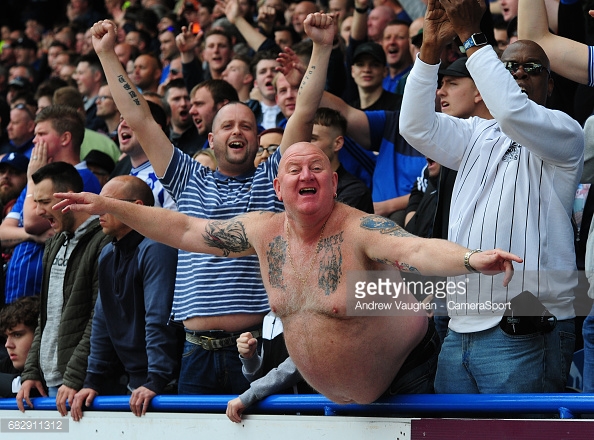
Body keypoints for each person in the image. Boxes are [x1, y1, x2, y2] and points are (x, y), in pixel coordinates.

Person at [55, 144, 521, 404]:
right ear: (278, 186)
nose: (305, 174)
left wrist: (469, 260)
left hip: (406, 385)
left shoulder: (360, 229)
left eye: (316, 166)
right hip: (322, 399)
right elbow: (182, 227)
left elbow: (416, 248)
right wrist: (105, 203)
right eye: (293, 168)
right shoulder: (263, 232)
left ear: (333, 181)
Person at [88, 13, 336, 395]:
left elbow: (303, 110)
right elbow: (139, 117)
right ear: (210, 138)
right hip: (194, 353)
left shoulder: (274, 181)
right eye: (227, 126)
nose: (237, 131)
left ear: (256, 139)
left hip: (257, 348)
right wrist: (106, 54)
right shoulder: (188, 177)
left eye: (247, 126)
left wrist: (321, 46)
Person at [399, 0, 583, 393]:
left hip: (524, 330)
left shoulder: (566, 132)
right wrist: (430, 48)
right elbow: (414, 126)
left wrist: (471, 36)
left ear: (550, 85)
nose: (518, 72)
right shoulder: (474, 133)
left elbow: (515, 113)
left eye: (531, 68)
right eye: (508, 66)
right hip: (459, 328)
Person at [70, 176, 180, 420]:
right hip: (136, 383)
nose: (98, 208)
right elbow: (102, 322)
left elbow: (158, 318)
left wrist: (157, 378)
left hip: (164, 385)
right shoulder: (108, 252)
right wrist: (92, 380)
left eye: (107, 201)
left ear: (137, 207)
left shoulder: (156, 247)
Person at [17, 162, 111, 414]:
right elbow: (44, 316)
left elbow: (98, 318)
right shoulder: (54, 242)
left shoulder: (104, 241)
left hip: (81, 388)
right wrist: (32, 371)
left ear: (68, 195)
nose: (38, 211)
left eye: (44, 202)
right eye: (36, 202)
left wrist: (74, 377)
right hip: (50, 385)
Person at [0, 296, 39, 397]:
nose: (8, 345)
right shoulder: (8, 364)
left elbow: (21, 387)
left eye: (17, 335)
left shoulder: (52, 369)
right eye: (6, 337)